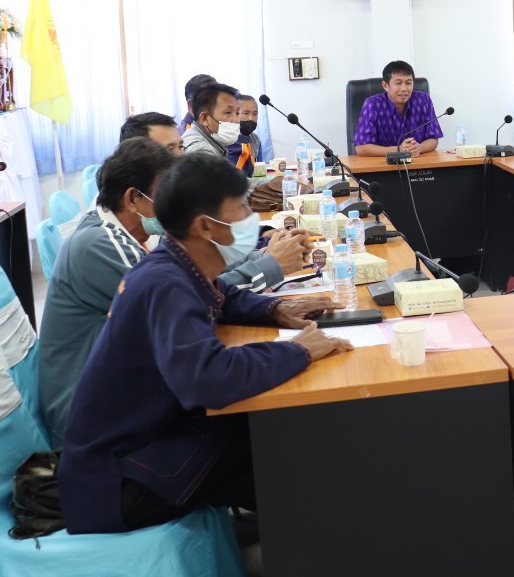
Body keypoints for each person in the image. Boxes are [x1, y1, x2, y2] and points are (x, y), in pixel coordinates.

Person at [59, 155, 351, 534]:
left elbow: (224, 294)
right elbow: (209, 378)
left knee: (276, 431)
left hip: (141, 446)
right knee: (282, 440)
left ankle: (297, 532)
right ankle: (310, 542)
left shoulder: (176, 263)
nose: (250, 218)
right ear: (205, 226)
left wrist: (275, 309)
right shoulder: (164, 283)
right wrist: (298, 349)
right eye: (241, 208)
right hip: (117, 481)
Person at [37, 139, 312, 447]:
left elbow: (201, 282)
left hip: (133, 395)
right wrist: (298, 347)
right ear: (133, 198)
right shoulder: (101, 244)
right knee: (264, 433)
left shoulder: (136, 233)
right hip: (99, 424)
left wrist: (272, 306)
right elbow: (191, 302)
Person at [354, 61, 442, 156]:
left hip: (417, 162)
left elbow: (433, 138)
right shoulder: (373, 104)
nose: (404, 89)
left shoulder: (423, 100)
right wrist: (398, 150)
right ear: (385, 85)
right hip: (383, 163)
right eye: (398, 83)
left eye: (408, 83)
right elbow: (361, 148)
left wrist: (419, 148)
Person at [181, 82, 240, 158]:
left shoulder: (210, 142)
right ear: (204, 118)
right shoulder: (201, 151)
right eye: (228, 112)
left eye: (237, 113)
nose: (236, 120)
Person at [226, 94, 270, 172]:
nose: (251, 118)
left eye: (255, 114)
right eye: (246, 113)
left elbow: (259, 167)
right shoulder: (226, 139)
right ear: (235, 113)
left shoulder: (255, 139)